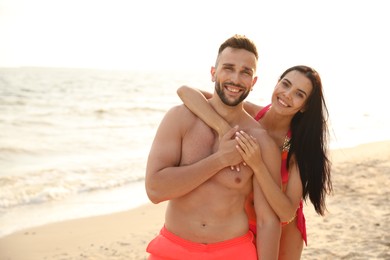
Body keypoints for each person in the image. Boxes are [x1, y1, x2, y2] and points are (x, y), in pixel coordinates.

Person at [145, 34, 282, 259]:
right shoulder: (179, 119)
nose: (236, 79)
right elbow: (155, 190)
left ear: (253, 82)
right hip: (171, 250)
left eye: (246, 72)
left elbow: (268, 221)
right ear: (213, 73)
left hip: (233, 252)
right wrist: (220, 160)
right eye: (228, 68)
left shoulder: (261, 141)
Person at [177, 65, 333, 259]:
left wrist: (258, 165)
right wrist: (223, 128)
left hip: (282, 230)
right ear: (276, 83)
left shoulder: (299, 150)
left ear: (305, 106)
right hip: (240, 224)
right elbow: (185, 92)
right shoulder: (248, 114)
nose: (286, 95)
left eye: (299, 94)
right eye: (285, 84)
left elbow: (286, 213)